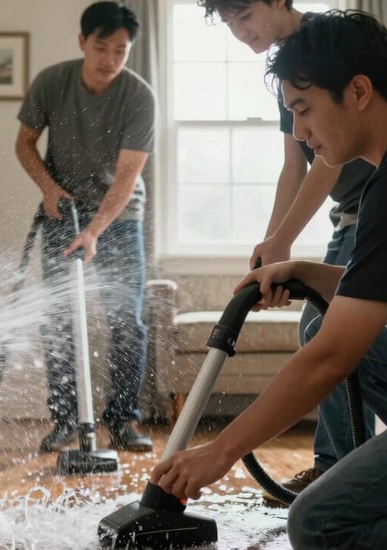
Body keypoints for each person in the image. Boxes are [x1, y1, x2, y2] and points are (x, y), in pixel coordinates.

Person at [152, 10, 387, 548]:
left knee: (318, 521)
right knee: (338, 328)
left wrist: (219, 452)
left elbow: (331, 358)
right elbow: (369, 298)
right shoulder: (377, 190)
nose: (300, 134)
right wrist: (306, 271)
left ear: (358, 91)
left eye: (304, 111)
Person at [198, 0, 376, 503]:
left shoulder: (325, 49)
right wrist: (275, 243)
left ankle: (340, 470)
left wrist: (284, 240)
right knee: (323, 325)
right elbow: (295, 160)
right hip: (351, 213)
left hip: (367, 207)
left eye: (245, 15)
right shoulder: (287, 68)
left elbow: (327, 159)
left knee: (333, 332)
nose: (240, 31)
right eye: (229, 23)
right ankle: (340, 466)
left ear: (280, 1)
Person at [15, 1, 156, 453]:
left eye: (121, 50)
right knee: (57, 318)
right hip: (63, 213)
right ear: (82, 42)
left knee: (127, 320)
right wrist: (48, 188)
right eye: (101, 47)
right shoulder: (52, 82)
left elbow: (128, 175)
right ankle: (64, 419)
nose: (110, 60)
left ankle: (122, 420)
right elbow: (23, 144)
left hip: (118, 219)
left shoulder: (138, 97)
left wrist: (94, 231)